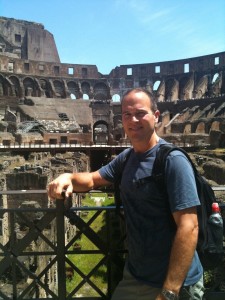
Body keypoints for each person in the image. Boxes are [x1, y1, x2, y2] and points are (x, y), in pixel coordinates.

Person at [48, 88, 204, 300]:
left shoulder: (173, 160)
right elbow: (93, 179)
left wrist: (169, 291)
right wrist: (67, 177)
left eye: (140, 113)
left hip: (175, 282)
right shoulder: (127, 158)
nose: (133, 120)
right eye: (127, 115)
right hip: (137, 275)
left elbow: (189, 226)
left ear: (156, 116)